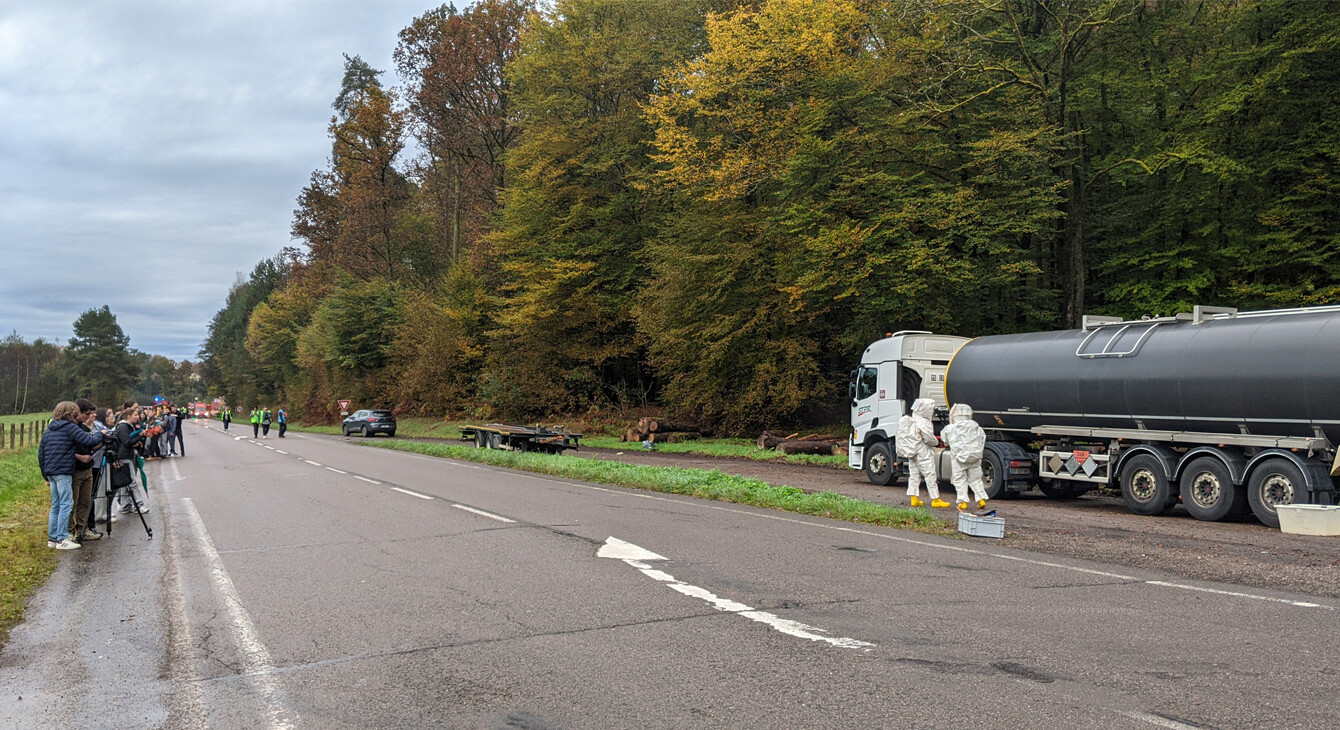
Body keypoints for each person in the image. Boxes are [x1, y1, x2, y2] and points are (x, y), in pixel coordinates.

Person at [37, 401, 108, 550]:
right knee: (66, 504)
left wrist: (45, 475)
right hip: (63, 471)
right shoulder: (69, 428)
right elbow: (89, 440)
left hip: (51, 472)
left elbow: (41, 453)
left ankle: (53, 538)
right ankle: (62, 538)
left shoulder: (49, 430)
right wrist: (101, 434)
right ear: (72, 413)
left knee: (56, 505)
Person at [895, 397, 947, 508]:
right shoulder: (924, 422)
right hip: (923, 452)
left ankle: (914, 498)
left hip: (912, 451)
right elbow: (928, 438)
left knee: (914, 475)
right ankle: (935, 499)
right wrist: (937, 443)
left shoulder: (911, 419)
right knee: (930, 475)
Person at [942, 403, 989, 511]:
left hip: (959, 459)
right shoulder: (977, 427)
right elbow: (982, 440)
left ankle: (962, 502)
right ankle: (981, 499)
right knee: (976, 479)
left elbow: (945, 439)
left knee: (960, 479)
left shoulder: (950, 428)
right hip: (975, 457)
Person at [68, 399, 101, 543]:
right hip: (75, 469)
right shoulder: (70, 428)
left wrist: (101, 442)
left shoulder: (84, 428)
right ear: (78, 412)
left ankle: (82, 529)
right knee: (72, 503)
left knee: (85, 502)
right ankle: (69, 531)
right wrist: (80, 457)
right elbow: (65, 449)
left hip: (88, 469)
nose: (89, 417)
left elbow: (91, 446)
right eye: (86, 414)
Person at [113, 408, 150, 515]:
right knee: (132, 481)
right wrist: (140, 436)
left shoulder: (128, 426)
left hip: (128, 455)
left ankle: (125, 505)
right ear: (128, 416)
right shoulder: (123, 427)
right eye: (135, 415)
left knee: (125, 482)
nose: (138, 417)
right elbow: (127, 442)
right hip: (124, 456)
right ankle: (140, 505)